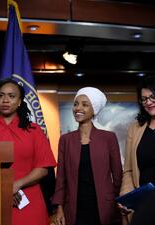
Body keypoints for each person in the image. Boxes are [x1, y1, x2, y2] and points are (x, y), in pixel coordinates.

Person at [0, 78, 56, 225]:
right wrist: (3, 188)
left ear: (20, 101)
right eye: (1, 95)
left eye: (11, 96)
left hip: (28, 200)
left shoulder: (34, 130)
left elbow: (43, 169)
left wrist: (16, 185)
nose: (5, 100)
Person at [51, 87, 123, 225]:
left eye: (85, 104)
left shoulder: (109, 138)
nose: (78, 108)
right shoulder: (65, 140)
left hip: (105, 208)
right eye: (76, 104)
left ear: (94, 109)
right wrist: (59, 207)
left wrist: (116, 201)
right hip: (74, 208)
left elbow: (118, 176)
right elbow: (61, 178)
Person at [119, 75, 155, 224]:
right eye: (144, 99)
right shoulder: (135, 128)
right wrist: (126, 197)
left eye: (153, 97)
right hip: (144, 203)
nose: (149, 102)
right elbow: (128, 170)